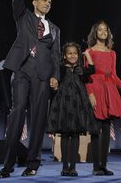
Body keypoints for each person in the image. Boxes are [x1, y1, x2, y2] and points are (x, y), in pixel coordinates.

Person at [0, 0, 61, 178]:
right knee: (16, 114)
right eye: (44, 0)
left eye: (50, 2)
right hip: (22, 71)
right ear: (34, 2)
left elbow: (56, 55)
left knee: (38, 119)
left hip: (43, 76)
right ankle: (7, 164)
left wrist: (56, 76)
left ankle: (32, 163)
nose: (48, 3)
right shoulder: (23, 16)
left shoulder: (55, 29)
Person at [47, 42, 97, 177]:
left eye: (75, 53)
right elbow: (54, 79)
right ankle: (64, 166)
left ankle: (73, 167)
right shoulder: (61, 69)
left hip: (77, 105)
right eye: (69, 53)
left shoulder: (81, 69)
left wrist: (87, 55)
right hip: (64, 104)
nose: (73, 55)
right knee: (64, 134)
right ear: (64, 56)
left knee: (75, 134)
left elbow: (92, 69)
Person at [86, 21, 121, 176]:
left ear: (108, 33)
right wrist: (90, 94)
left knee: (107, 130)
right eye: (100, 30)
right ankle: (96, 167)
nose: (103, 32)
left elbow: (114, 75)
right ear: (95, 32)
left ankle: (103, 165)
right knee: (96, 130)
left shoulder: (112, 52)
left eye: (105, 30)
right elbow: (87, 76)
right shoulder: (89, 51)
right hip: (95, 89)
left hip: (109, 91)